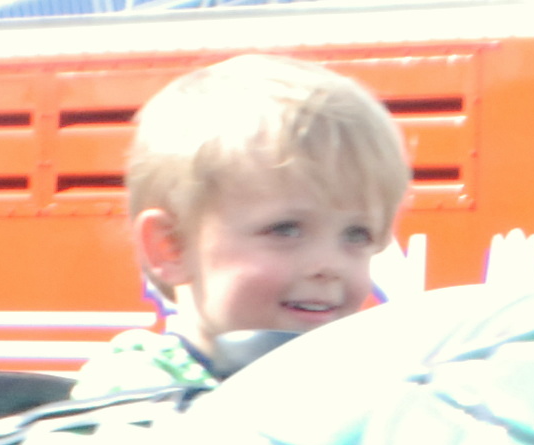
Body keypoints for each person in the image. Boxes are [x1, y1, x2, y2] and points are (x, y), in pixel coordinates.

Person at [71, 53, 409, 402]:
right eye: (285, 230)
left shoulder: (357, 390)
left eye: (357, 235)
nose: (329, 265)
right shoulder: (135, 390)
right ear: (171, 246)